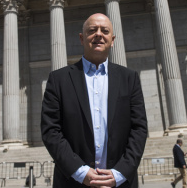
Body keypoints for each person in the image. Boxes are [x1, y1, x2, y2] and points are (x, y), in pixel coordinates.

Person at [41, 13, 148, 188]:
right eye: (92, 30)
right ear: (82, 38)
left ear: (112, 40)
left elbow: (139, 129)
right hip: (73, 182)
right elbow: (50, 130)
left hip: (119, 183)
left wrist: (120, 173)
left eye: (104, 31)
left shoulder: (129, 78)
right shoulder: (59, 80)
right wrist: (80, 172)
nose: (99, 34)